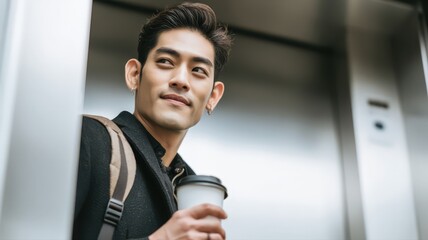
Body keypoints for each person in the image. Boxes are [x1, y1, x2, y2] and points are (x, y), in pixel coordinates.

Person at [73, 2, 233, 240]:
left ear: (213, 96)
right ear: (134, 74)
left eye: (198, 70)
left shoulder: (189, 190)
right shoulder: (86, 141)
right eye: (166, 62)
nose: (181, 80)